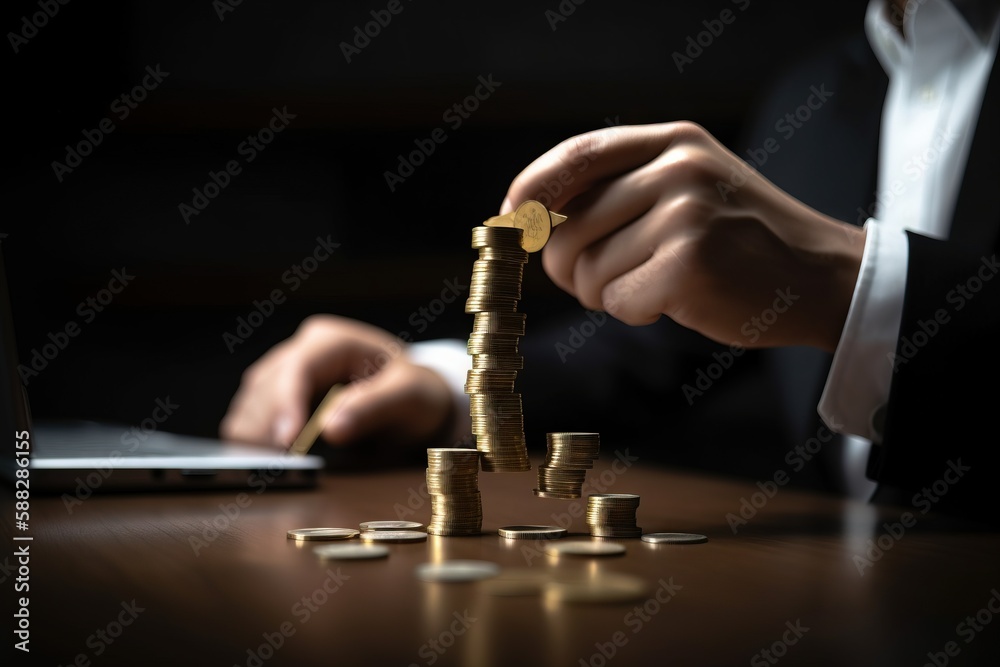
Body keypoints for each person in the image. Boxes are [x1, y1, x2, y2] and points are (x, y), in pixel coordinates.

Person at [222, 0, 1000, 524]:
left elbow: (809, 290)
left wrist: (842, 284)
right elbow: (665, 335)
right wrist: (437, 386)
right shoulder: (819, 94)